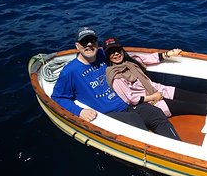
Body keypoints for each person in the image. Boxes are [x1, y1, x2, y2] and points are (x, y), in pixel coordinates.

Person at [51, 27, 180, 140]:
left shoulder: (103, 54)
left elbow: (131, 58)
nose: (89, 45)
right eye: (84, 42)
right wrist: (79, 111)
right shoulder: (70, 72)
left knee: (154, 113)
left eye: (92, 41)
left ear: (97, 43)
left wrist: (164, 55)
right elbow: (58, 97)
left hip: (127, 104)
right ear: (77, 46)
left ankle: (177, 148)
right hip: (108, 113)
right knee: (135, 122)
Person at [102, 37, 207, 117]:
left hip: (160, 90)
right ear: (107, 56)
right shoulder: (116, 77)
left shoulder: (131, 62)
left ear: (122, 50)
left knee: (199, 97)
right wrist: (152, 97)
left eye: (117, 50)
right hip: (152, 103)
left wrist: (169, 54)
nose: (116, 54)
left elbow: (148, 59)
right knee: (195, 107)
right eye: (111, 52)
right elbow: (130, 100)